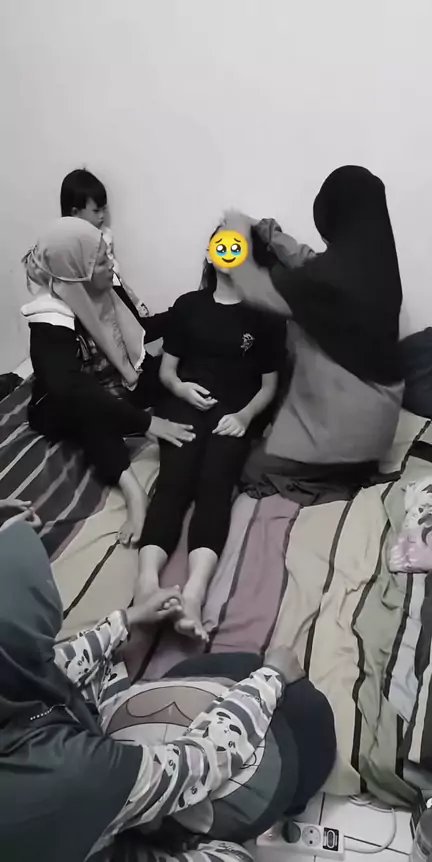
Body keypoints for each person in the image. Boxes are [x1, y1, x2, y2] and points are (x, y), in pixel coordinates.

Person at [0, 522, 337, 862]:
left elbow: (53, 661)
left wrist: (127, 619)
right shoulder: (68, 770)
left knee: (99, 669)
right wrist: (271, 678)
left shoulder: (16, 674)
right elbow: (198, 763)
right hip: (80, 823)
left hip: (60, 806)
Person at [222, 166, 404, 504]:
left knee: (248, 469)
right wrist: (268, 231)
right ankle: (342, 467)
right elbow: (308, 262)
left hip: (342, 429)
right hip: (379, 430)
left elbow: (254, 287)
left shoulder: (326, 279)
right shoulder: (378, 267)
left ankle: (328, 474)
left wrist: (236, 231)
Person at [136, 232, 286, 638]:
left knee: (214, 485)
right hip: (184, 406)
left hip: (233, 415)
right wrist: (182, 389)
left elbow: (269, 386)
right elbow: (167, 372)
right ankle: (146, 585)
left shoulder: (265, 315)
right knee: (174, 482)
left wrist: (244, 416)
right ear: (210, 252)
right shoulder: (189, 305)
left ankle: (194, 594)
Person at [21, 217, 195, 544]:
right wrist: (146, 423)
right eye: (101, 260)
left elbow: (138, 330)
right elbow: (70, 389)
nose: (111, 264)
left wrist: (186, 311)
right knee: (91, 412)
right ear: (76, 271)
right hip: (63, 403)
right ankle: (133, 492)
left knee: (178, 371)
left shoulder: (106, 288)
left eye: (107, 255)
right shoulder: (48, 321)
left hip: (113, 382)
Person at [60, 168, 168, 343]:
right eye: (96, 211)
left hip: (115, 294)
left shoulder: (103, 236)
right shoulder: (68, 248)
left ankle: (178, 314)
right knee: (141, 332)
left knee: (143, 328)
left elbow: (117, 277)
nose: (102, 216)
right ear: (75, 213)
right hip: (105, 303)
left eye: (104, 209)